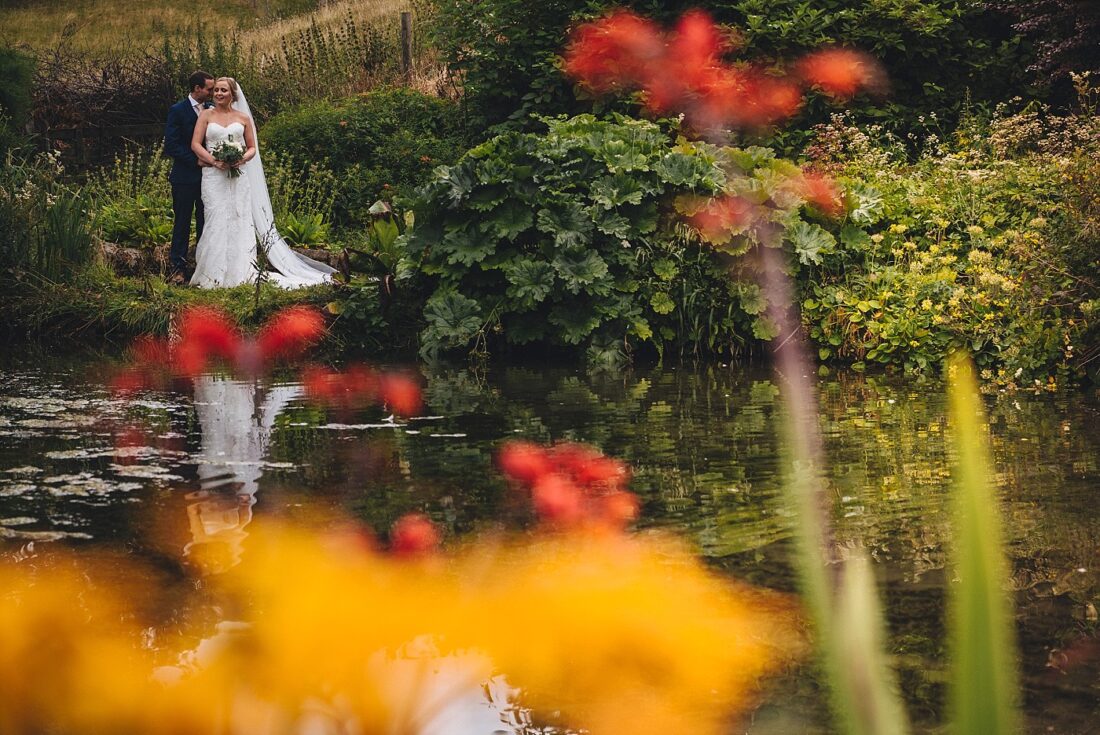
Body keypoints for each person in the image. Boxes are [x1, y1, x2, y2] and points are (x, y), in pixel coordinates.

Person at [188, 77, 336, 289]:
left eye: (223, 90)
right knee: (215, 218)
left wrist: (241, 158)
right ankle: (211, 275)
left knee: (240, 218)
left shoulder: (243, 117)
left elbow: (252, 147)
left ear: (232, 94)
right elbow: (195, 144)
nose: (218, 94)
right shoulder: (206, 115)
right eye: (217, 90)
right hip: (213, 176)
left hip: (238, 176)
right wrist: (214, 161)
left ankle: (240, 272)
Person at [164, 70, 214, 285]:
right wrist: (195, 161)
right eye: (209, 89)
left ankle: (203, 267)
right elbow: (172, 145)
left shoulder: (213, 110)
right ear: (197, 89)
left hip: (210, 179)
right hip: (184, 177)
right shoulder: (178, 110)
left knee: (206, 222)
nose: (212, 93)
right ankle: (178, 268)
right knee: (182, 222)